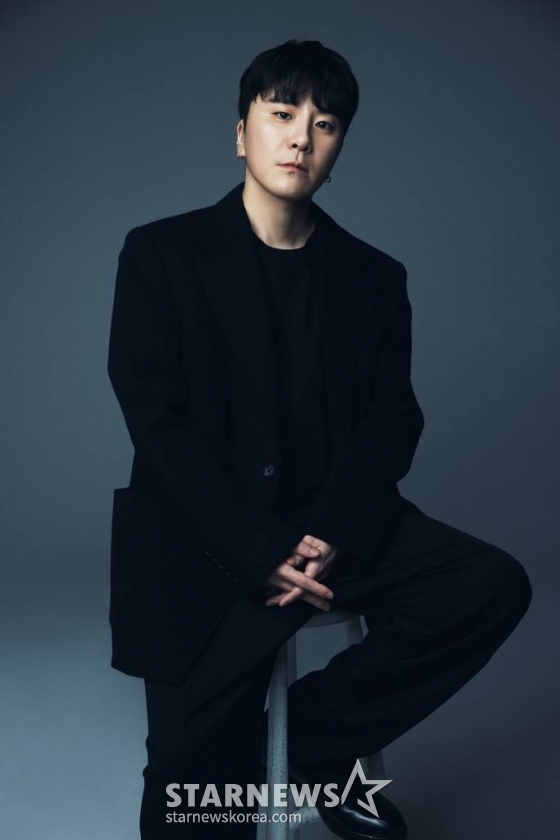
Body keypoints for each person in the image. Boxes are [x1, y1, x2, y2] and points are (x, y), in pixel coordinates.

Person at [107, 39, 533, 839]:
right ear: (242, 133)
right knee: (190, 808)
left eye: (326, 124)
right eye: (281, 114)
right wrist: (256, 547)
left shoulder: (374, 277)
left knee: (490, 585)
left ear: (338, 150)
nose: (301, 137)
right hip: (203, 539)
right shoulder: (161, 255)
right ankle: (245, 759)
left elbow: (392, 421)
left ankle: (307, 743)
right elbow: (157, 424)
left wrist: (330, 532)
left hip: (333, 526)